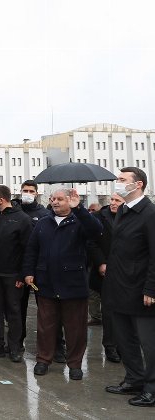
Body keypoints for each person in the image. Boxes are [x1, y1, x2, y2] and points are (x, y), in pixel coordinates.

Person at [23, 188, 102, 380]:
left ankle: (74, 364)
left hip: (73, 284)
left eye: (60, 199)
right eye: (52, 199)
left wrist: (80, 209)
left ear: (70, 201)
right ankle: (43, 360)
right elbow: (32, 250)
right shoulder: (43, 223)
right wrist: (28, 272)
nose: (55, 202)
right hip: (46, 283)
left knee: (75, 328)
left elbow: (97, 231)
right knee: (46, 326)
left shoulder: (80, 221)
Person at [104, 167, 155, 407]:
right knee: (125, 340)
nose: (118, 183)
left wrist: (151, 289)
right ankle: (134, 379)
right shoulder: (123, 210)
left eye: (123, 180)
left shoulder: (149, 213)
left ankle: (152, 389)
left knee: (149, 343)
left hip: (141, 291)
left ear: (139, 185)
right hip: (119, 287)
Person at [0, 185, 32, 363]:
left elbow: (28, 249)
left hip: (13, 275)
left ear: (2, 199)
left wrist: (23, 274)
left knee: (14, 312)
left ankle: (14, 347)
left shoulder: (22, 219)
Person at [14, 180, 56, 356]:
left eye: (31, 191)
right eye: (25, 190)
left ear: (37, 193)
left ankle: (54, 346)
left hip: (40, 270)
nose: (28, 193)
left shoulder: (45, 213)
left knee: (47, 310)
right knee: (17, 309)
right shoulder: (14, 210)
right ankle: (17, 343)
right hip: (18, 269)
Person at [86, 193, 124, 363]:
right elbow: (91, 242)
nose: (113, 203)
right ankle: (110, 347)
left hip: (127, 271)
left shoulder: (131, 217)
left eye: (117, 201)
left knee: (124, 312)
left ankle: (124, 346)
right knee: (108, 311)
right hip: (105, 271)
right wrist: (101, 262)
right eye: (112, 200)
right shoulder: (99, 217)